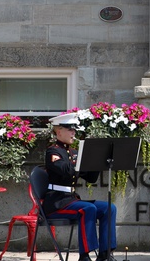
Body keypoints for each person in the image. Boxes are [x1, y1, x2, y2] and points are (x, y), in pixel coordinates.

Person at [43, 112, 117, 261]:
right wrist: (83, 158)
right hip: (56, 203)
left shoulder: (74, 153)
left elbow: (90, 178)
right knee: (87, 209)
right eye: (70, 129)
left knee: (109, 208)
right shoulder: (53, 152)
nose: (73, 133)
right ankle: (85, 256)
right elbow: (66, 170)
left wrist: (98, 161)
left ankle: (105, 253)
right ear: (59, 131)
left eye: (74, 130)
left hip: (71, 199)